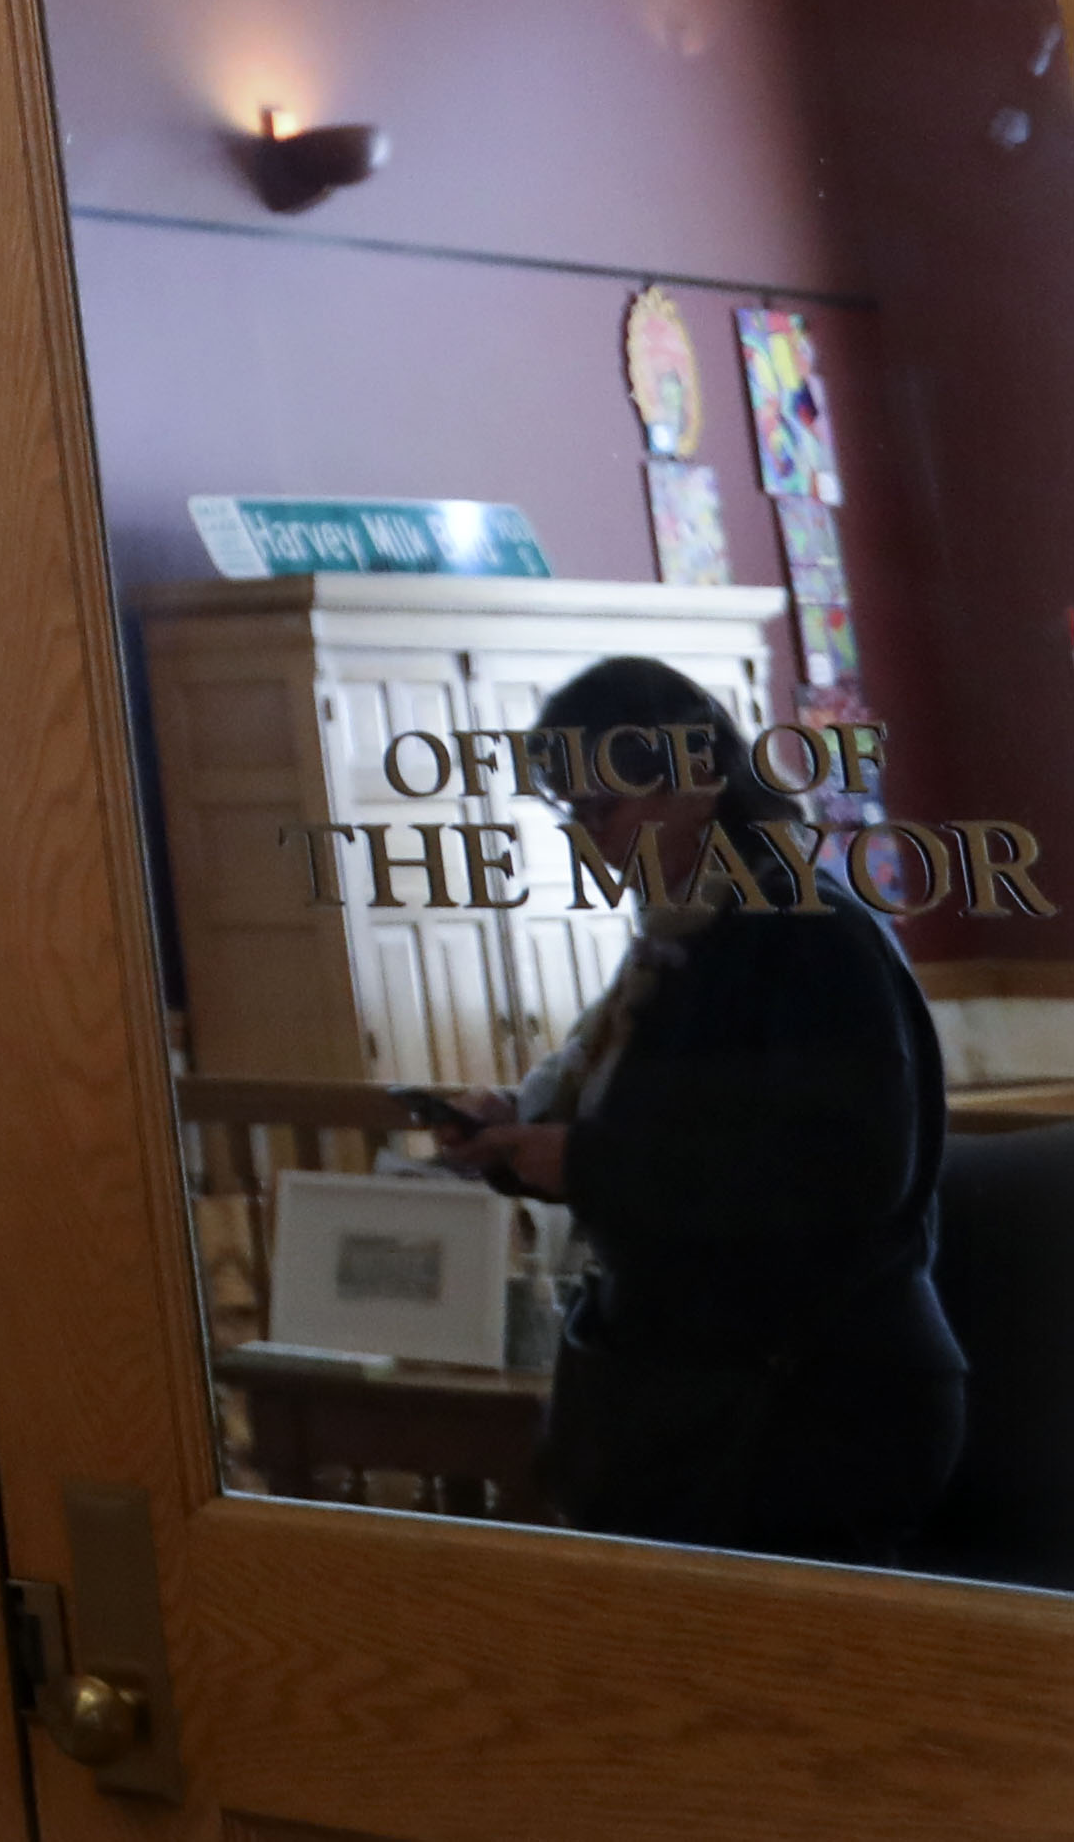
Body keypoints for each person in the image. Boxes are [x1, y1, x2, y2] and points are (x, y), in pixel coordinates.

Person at [424, 655, 960, 1564]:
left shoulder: (808, 932)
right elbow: (664, 1128)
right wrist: (520, 1132)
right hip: (703, 1396)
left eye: (604, 808)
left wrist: (583, 1160)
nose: (589, 838)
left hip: (808, 1413)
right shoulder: (687, 934)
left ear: (698, 782)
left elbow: (845, 1173)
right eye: (574, 815)